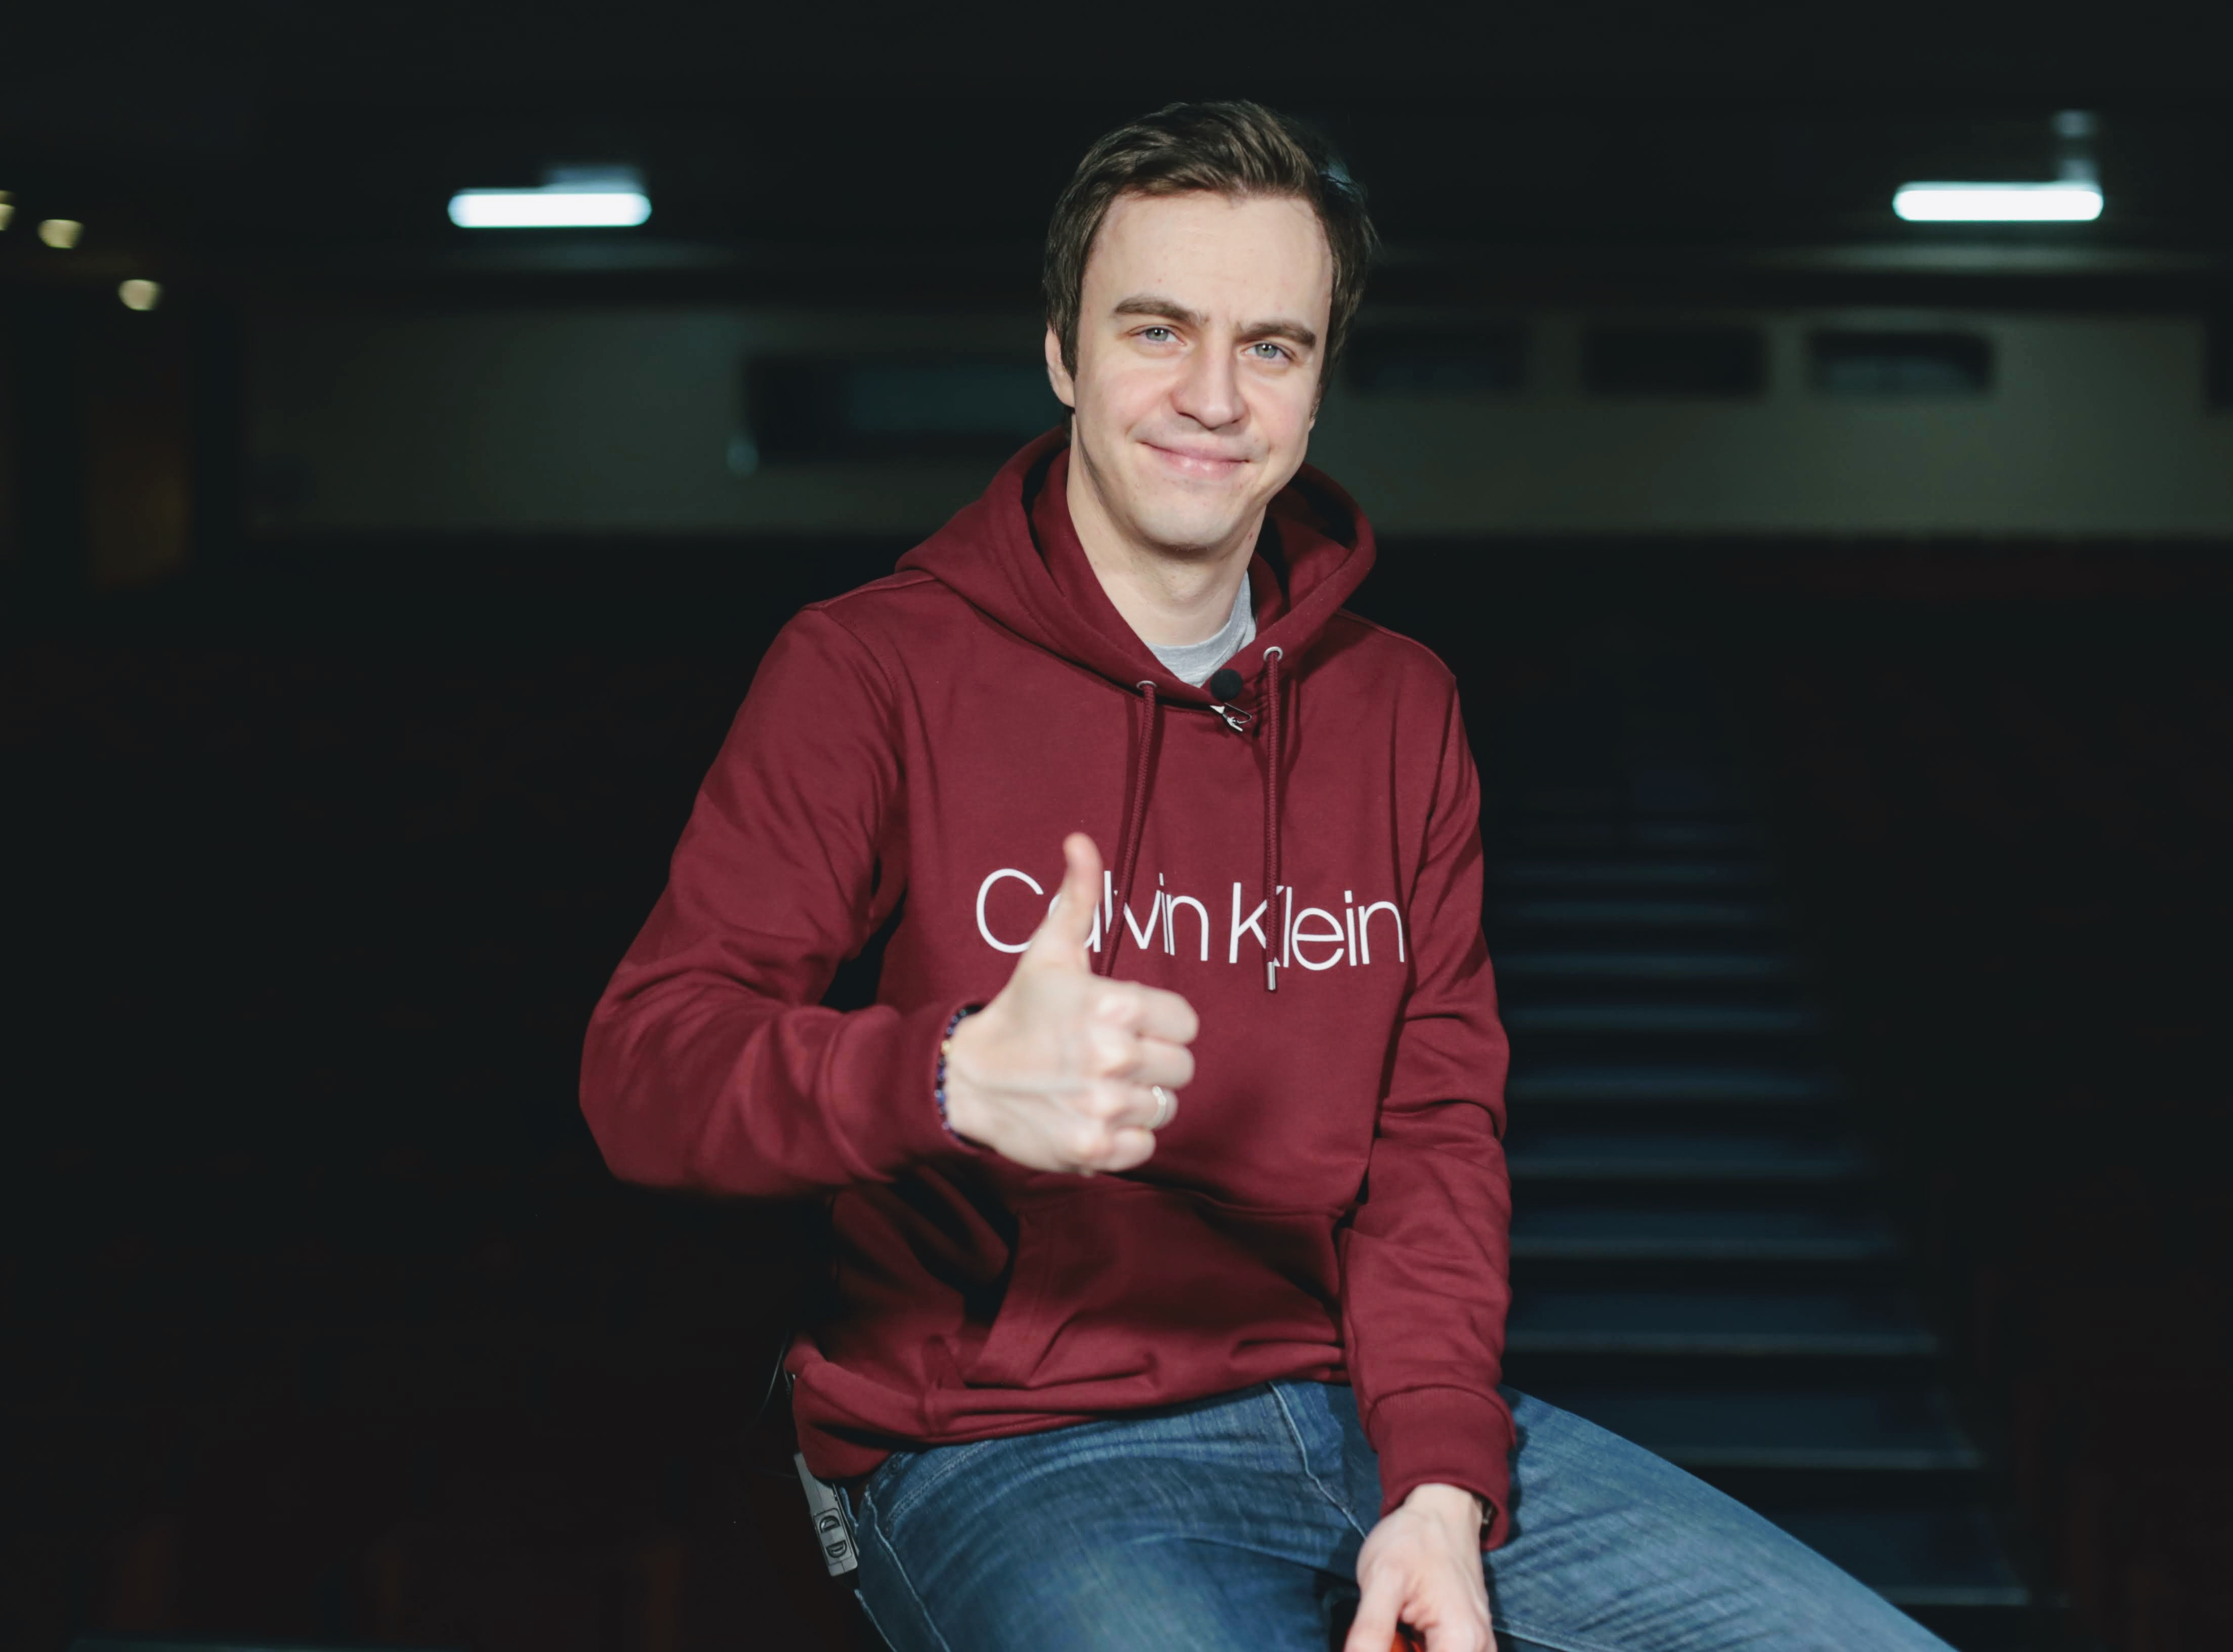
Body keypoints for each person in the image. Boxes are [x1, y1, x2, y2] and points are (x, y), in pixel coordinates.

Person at [581, 100, 1947, 1652]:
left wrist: (1437, 1481)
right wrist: (945, 1076)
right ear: (1061, 351)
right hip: (1005, 1437)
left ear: (1317, 379)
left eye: (1273, 346)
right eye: (1157, 329)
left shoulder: (1398, 704)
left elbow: (1432, 1136)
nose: (1214, 397)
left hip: (1351, 1408)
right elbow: (644, 1070)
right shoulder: (866, 668)